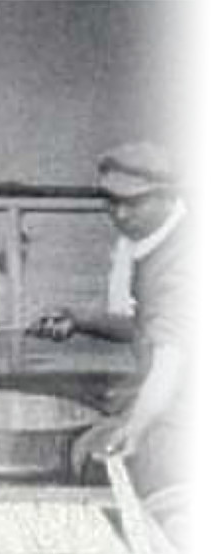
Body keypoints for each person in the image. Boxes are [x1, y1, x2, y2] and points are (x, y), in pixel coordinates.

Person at [28, 142, 190, 550]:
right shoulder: (154, 245)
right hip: (170, 399)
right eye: (111, 201)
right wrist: (80, 319)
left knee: (146, 481)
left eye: (134, 203)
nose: (120, 214)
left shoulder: (184, 260)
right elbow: (146, 328)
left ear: (168, 196)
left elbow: (170, 362)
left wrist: (136, 428)